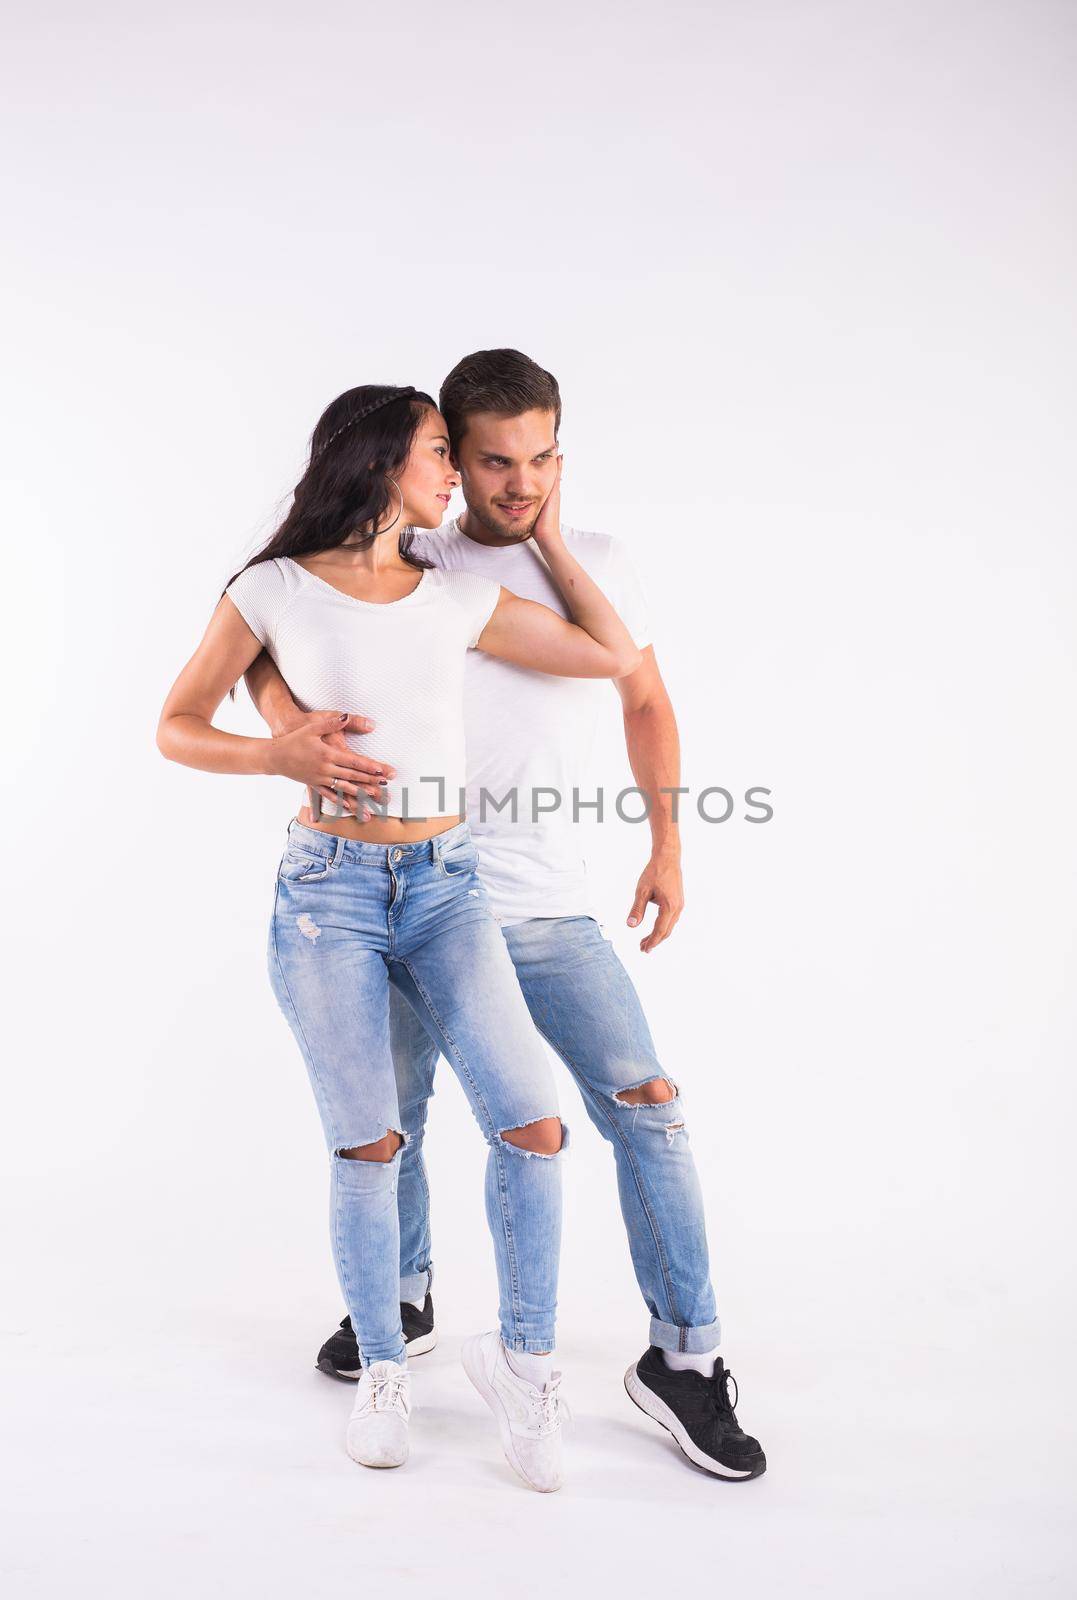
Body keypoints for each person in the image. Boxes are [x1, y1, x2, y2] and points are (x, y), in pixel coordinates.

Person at [246, 350, 768, 1482]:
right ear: (446, 458)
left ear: (561, 460)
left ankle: (683, 1356)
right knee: (394, 1115)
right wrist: (293, 731)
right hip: (403, 885)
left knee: (646, 1102)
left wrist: (669, 842)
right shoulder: (413, 542)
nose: (515, 481)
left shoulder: (598, 564)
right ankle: (404, 1298)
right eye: (488, 459)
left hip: (539, 899)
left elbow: (639, 688)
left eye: (539, 459)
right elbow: (274, 615)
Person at [156, 382, 642, 1491]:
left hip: (448, 886)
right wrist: (276, 751)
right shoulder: (274, 589)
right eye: (439, 452)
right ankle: (384, 1368)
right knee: (370, 1141)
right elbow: (175, 722)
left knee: (531, 1123)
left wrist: (556, 542)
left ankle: (522, 1364)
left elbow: (609, 655)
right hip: (329, 893)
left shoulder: (458, 593)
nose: (456, 474)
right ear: (384, 467)